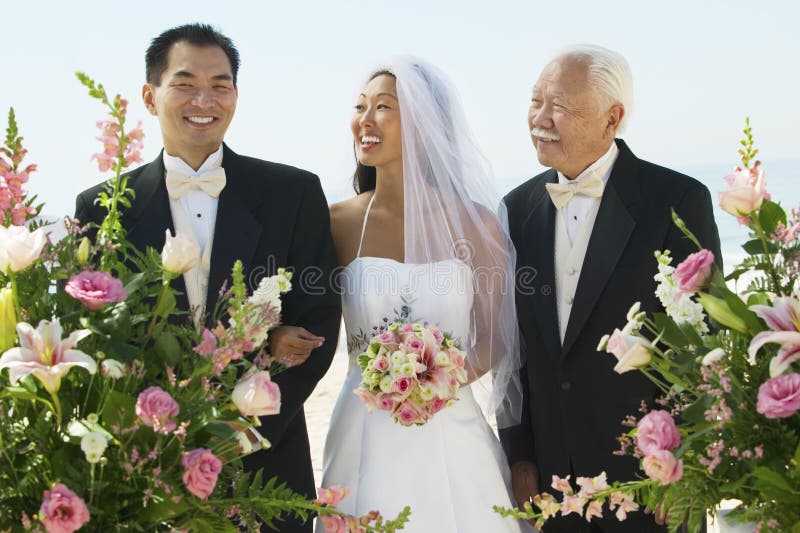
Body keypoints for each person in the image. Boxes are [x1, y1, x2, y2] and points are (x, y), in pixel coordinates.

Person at [74, 23, 341, 533]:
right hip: (148, 472)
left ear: (236, 95)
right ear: (150, 98)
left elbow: (320, 322)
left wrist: (240, 430)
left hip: (268, 467)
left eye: (220, 85)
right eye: (185, 83)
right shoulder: (101, 207)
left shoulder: (294, 193)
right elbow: (101, 339)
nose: (205, 99)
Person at [499, 45, 721, 532]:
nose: (540, 117)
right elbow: (512, 350)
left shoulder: (678, 201)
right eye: (535, 101)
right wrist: (518, 454)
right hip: (550, 485)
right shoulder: (514, 210)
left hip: (650, 481)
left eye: (560, 105)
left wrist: (684, 464)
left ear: (612, 118)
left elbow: (702, 345)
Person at [309, 56, 528, 533]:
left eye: (383, 107)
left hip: (449, 426)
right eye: (360, 106)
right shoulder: (337, 222)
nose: (365, 120)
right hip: (360, 425)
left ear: (426, 125)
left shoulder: (478, 224)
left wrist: (437, 382)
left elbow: (493, 336)